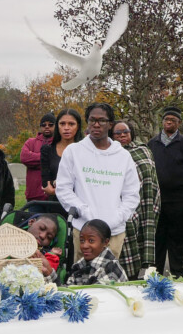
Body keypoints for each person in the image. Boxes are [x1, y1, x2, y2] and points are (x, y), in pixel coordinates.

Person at [55, 102, 141, 261]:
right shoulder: (74, 152)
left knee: (108, 279)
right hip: (84, 230)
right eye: (92, 120)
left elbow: (131, 195)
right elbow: (63, 189)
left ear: (110, 124)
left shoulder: (123, 156)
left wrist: (116, 218)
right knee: (82, 280)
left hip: (113, 232)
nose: (96, 124)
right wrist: (84, 211)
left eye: (101, 120)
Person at [147, 106, 183, 276]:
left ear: (179, 123)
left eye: (173, 120)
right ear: (162, 122)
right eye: (167, 119)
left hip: (181, 200)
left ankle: (177, 273)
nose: (169, 122)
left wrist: (182, 180)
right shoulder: (152, 144)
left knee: (179, 239)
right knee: (158, 239)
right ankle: (156, 274)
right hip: (158, 200)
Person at [112, 119, 158, 279]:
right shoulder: (108, 153)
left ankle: (134, 277)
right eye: (117, 133)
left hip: (143, 204)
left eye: (125, 132)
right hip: (118, 206)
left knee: (140, 241)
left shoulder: (142, 150)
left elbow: (151, 179)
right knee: (122, 243)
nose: (122, 135)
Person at [40, 108, 83, 203]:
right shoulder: (47, 150)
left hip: (81, 205)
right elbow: (46, 185)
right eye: (62, 124)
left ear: (78, 126)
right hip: (55, 205)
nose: (66, 128)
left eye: (71, 124)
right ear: (57, 126)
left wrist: (59, 187)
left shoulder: (86, 151)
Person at [66, 219, 128, 286]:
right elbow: (68, 291)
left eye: (91, 241)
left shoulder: (111, 269)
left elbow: (96, 295)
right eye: (82, 240)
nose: (85, 246)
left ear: (105, 242)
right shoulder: (78, 266)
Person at [20, 113, 56, 203]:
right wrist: (47, 158)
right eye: (43, 125)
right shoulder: (30, 142)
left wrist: (34, 158)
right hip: (34, 197)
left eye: (50, 125)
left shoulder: (58, 143)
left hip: (54, 196)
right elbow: (24, 158)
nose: (47, 127)